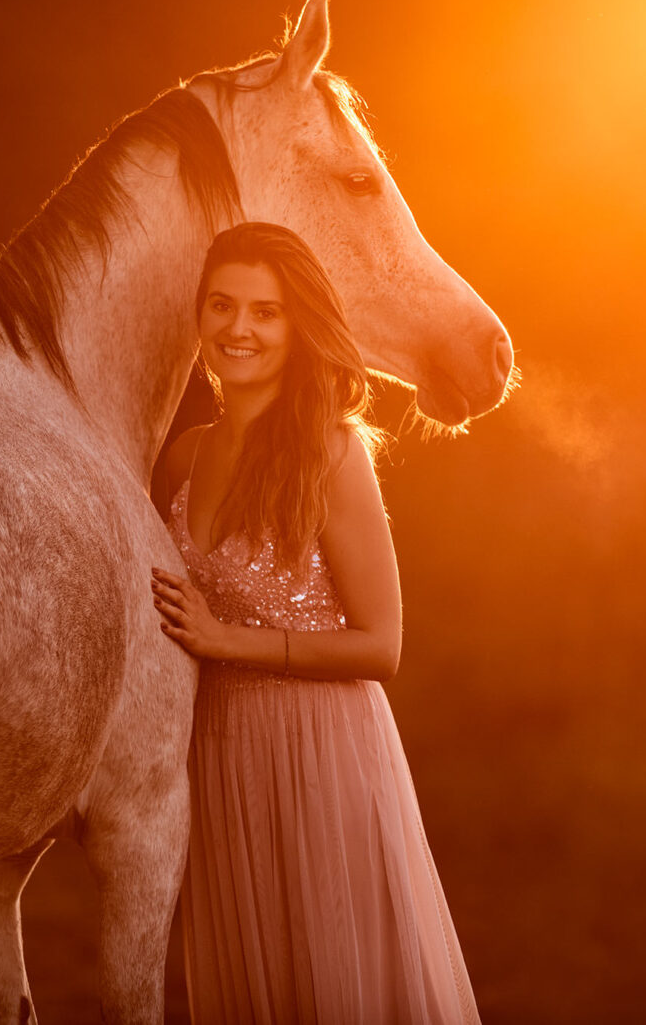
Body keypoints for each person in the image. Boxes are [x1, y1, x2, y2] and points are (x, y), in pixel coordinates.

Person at [149, 222, 481, 1024]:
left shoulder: (332, 453)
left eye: (265, 311)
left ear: (297, 327)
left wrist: (228, 641)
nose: (239, 327)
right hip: (217, 753)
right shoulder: (184, 455)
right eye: (222, 305)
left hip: (322, 753)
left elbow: (382, 644)